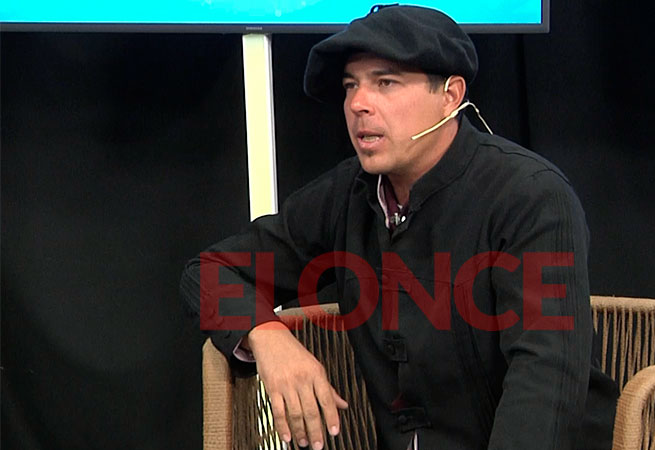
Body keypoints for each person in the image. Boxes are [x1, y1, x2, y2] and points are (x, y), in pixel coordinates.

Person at [181, 5, 618, 450]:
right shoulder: (348, 193)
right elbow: (209, 271)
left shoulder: (531, 196)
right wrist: (267, 335)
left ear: (450, 96)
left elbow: (545, 387)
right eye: (350, 85)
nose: (358, 103)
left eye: (385, 82)